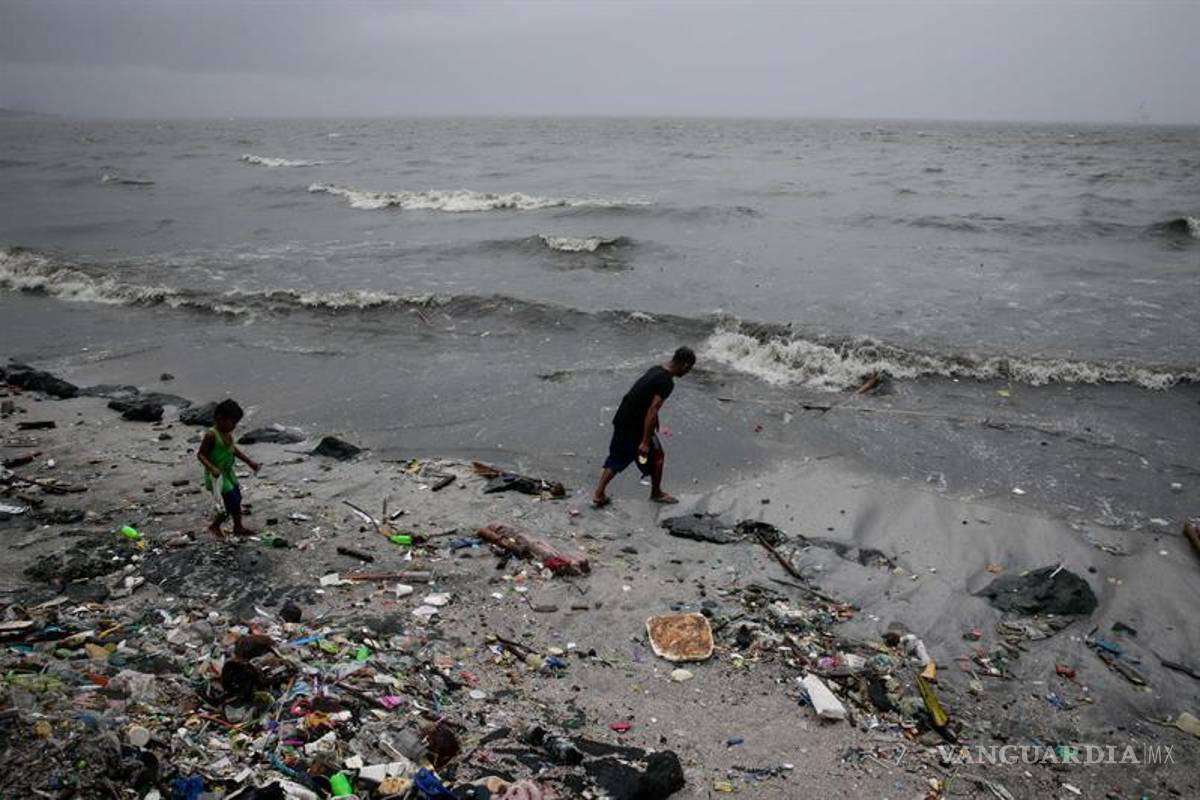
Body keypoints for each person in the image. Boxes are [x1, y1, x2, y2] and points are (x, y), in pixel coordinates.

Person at [593, 346, 695, 507]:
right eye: (689, 369)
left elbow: (643, 397)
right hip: (634, 424)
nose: (687, 373)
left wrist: (655, 422)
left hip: (622, 417)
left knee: (618, 456)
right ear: (685, 365)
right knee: (656, 456)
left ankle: (599, 493)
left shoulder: (656, 370)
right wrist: (645, 441)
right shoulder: (667, 382)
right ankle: (655, 493)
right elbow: (653, 409)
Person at [197, 398, 260, 537]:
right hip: (216, 476)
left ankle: (238, 527)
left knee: (237, 498)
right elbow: (201, 454)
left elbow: (233, 450)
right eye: (233, 422)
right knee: (230, 502)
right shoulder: (211, 435)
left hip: (228, 472)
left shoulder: (227, 433)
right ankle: (214, 526)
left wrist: (249, 462)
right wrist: (212, 468)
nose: (234, 426)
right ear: (220, 418)